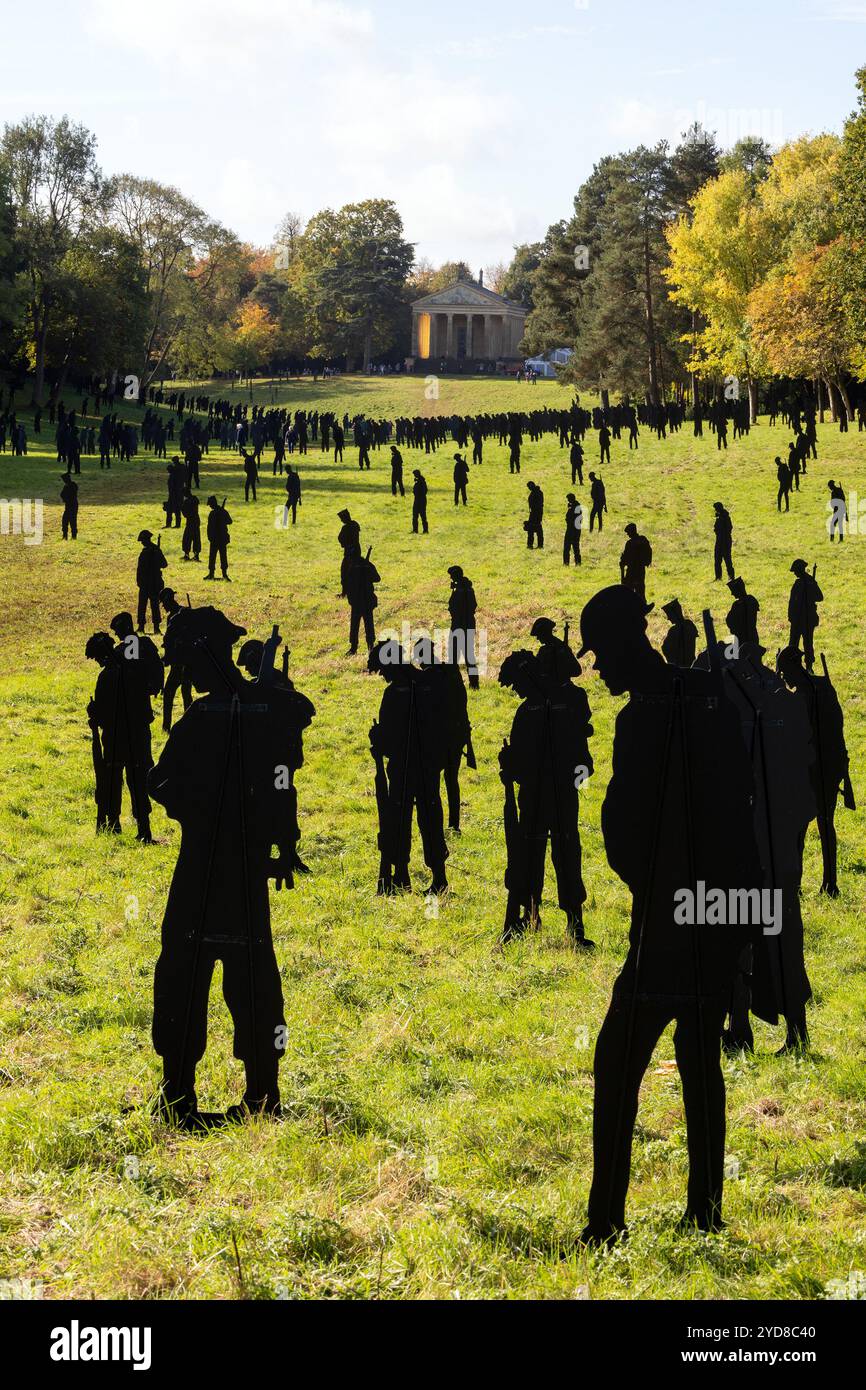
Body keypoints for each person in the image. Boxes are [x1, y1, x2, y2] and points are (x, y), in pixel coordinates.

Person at [574, 586, 762, 1244]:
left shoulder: (643, 716)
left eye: (602, 655)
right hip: (714, 911)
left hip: (667, 921)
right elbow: (743, 800)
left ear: (628, 643)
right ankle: (703, 1208)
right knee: (698, 1055)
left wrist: (655, 885)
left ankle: (606, 1222)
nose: (599, 670)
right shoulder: (705, 696)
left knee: (617, 1059)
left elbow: (624, 828)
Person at [148, 612, 314, 1128]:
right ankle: (262, 1091)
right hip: (246, 867)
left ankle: (180, 1094)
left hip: (202, 864)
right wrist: (279, 838)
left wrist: (197, 811)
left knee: (185, 966)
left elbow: (159, 783)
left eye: (190, 662)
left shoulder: (202, 718)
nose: (187, 675)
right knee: (251, 971)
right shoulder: (267, 711)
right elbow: (285, 775)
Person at [498, 644, 594, 947]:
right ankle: (542, 915)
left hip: (548, 792)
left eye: (517, 684)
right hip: (553, 792)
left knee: (550, 853)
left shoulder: (536, 709)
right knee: (549, 853)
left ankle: (566, 921)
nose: (516, 691)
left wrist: (510, 764)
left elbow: (576, 751)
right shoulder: (563, 701)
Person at [368, 642, 449, 895]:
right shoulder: (429, 686)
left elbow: (390, 737)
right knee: (429, 819)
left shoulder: (395, 694)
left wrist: (378, 738)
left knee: (401, 819)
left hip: (406, 765)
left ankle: (406, 875)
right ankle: (432, 876)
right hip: (427, 765)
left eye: (383, 670)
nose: (383, 675)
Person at [777, 646, 853, 898]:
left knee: (799, 826)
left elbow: (794, 736)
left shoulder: (798, 696)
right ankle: (830, 883)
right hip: (831, 765)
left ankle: (796, 885)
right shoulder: (824, 687)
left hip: (811, 767)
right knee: (825, 824)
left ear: (792, 668)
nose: (784, 678)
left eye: (784, 673)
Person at [86, 621, 157, 844]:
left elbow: (101, 713)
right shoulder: (133, 671)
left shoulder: (107, 677)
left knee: (113, 779)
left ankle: (114, 823)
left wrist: (93, 713)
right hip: (137, 734)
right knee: (137, 780)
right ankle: (143, 828)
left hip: (117, 737)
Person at [447, 565, 479, 690]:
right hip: (469, 625)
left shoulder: (461, 590)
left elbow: (454, 606)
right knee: (469, 656)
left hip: (458, 626)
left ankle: (454, 683)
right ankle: (474, 684)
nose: (450, 577)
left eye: (451, 575)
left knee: (453, 657)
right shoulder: (468, 588)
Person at [788, 559, 822, 671]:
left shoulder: (810, 582)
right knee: (793, 644)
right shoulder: (799, 583)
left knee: (807, 644)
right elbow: (792, 602)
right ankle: (793, 664)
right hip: (797, 619)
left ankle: (809, 666)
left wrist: (811, 589)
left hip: (807, 619)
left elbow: (819, 597)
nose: (794, 573)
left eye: (795, 571)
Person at [345, 547, 380, 655]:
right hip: (365, 600)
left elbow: (347, 582)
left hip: (359, 601)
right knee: (367, 625)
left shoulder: (353, 567)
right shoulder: (364, 565)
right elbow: (377, 578)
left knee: (356, 626)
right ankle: (368, 647)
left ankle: (356, 648)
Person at [136, 530, 168, 633]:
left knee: (154, 605)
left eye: (143, 540)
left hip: (153, 583)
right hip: (145, 583)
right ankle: (141, 626)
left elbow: (164, 564)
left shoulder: (155, 550)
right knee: (142, 605)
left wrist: (156, 560)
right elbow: (140, 568)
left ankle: (156, 627)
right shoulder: (146, 551)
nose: (142, 543)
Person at [619, 523, 652, 604]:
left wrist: (622, 563)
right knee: (640, 592)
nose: (628, 534)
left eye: (628, 533)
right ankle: (642, 608)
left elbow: (626, 558)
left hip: (632, 572)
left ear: (632, 531)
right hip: (640, 571)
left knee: (629, 593)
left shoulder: (630, 543)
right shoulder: (643, 540)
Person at [661, 599, 698, 668]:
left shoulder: (674, 630)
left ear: (674, 614)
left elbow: (666, 648)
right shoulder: (689, 625)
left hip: (678, 664)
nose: (668, 618)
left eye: (669, 615)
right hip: (689, 662)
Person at [726, 577, 760, 652]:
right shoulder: (740, 604)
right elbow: (729, 620)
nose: (732, 594)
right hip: (741, 637)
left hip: (747, 637)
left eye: (733, 591)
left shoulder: (748, 602)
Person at [204, 496, 232, 582]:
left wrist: (222, 515)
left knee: (221, 556)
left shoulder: (218, 513)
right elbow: (209, 527)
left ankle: (224, 574)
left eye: (210, 505)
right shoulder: (213, 513)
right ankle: (212, 573)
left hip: (220, 538)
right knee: (213, 557)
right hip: (216, 538)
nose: (210, 506)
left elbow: (229, 521)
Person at [712, 503, 734, 582]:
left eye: (715, 508)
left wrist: (720, 532)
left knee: (727, 560)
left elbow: (729, 528)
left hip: (725, 542)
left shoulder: (725, 517)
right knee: (717, 560)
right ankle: (718, 577)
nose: (715, 510)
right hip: (719, 541)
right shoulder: (719, 516)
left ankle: (731, 577)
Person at [180, 487, 201, 562]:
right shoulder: (195, 499)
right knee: (196, 538)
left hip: (190, 522)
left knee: (187, 538)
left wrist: (182, 508)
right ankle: (196, 555)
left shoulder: (187, 502)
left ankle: (187, 554)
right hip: (196, 521)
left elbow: (185, 514)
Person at [563, 493, 582, 566]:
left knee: (569, 547)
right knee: (575, 547)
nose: (568, 501)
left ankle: (567, 563)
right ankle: (577, 563)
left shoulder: (576, 507)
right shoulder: (575, 506)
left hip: (572, 530)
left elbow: (575, 519)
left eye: (568, 499)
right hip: (574, 529)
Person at [60, 472, 79, 541]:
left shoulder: (73, 485)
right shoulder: (67, 486)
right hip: (68, 506)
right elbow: (62, 494)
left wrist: (65, 499)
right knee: (64, 520)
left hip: (73, 505)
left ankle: (74, 536)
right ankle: (65, 535)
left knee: (72, 520)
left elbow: (71, 495)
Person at [525, 481, 544, 549]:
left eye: (529, 487)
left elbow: (538, 505)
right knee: (535, 530)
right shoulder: (536, 492)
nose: (529, 488)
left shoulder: (537, 493)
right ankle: (539, 545)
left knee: (534, 530)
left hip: (536, 514)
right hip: (535, 513)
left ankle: (533, 544)